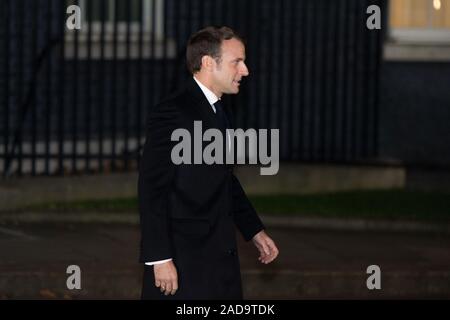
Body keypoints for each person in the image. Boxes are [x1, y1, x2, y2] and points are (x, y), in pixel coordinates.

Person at [138, 26, 279, 300]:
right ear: (207, 63)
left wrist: (254, 231)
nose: (245, 70)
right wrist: (160, 258)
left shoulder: (217, 110)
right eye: (237, 62)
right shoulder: (174, 112)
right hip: (184, 262)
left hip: (217, 259)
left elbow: (224, 178)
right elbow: (152, 189)